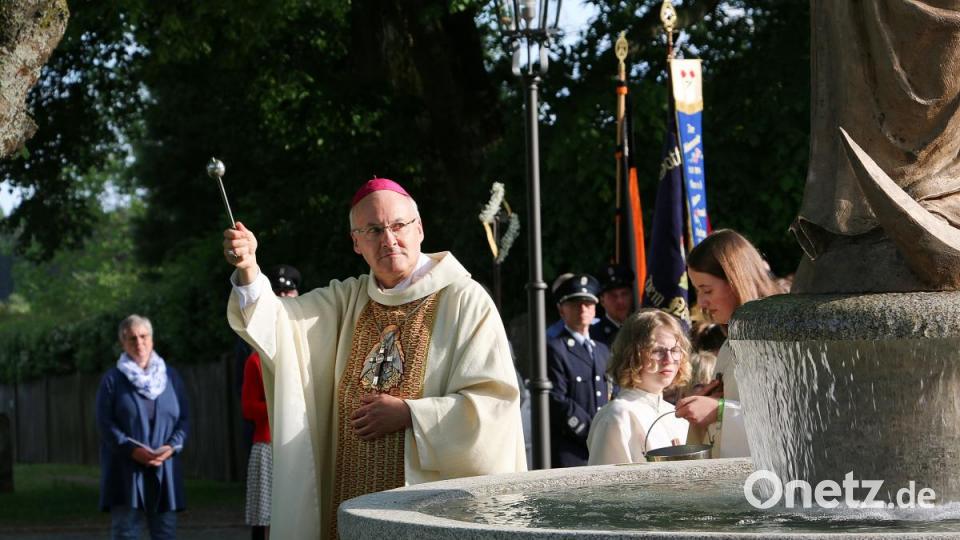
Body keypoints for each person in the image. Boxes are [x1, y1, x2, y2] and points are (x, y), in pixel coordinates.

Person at [223, 178, 526, 539]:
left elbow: (495, 407)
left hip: (428, 511)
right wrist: (249, 269)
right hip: (350, 501)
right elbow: (279, 326)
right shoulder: (346, 301)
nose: (388, 239)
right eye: (373, 230)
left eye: (399, 226)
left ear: (420, 229)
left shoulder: (464, 300)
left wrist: (410, 414)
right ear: (356, 242)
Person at [674, 229, 783, 458]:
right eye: (697, 291)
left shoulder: (779, 339)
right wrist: (714, 400)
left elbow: (790, 422)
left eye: (707, 290)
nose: (702, 302)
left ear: (736, 281)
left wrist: (720, 411)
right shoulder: (730, 345)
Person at [96, 315, 189, 540]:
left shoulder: (171, 377)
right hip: (126, 472)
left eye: (143, 336)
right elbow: (105, 424)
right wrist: (133, 451)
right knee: (127, 534)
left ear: (152, 340)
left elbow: (184, 419)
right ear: (123, 343)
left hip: (164, 471)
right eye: (132, 338)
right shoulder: (112, 380)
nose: (139, 343)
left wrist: (172, 446)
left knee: (165, 534)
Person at [241, 265, 301, 540]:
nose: (284, 296)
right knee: (267, 517)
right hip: (267, 443)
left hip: (300, 441)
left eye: (289, 290)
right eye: (278, 292)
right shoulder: (256, 359)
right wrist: (282, 404)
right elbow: (248, 407)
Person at [587, 309, 691, 465]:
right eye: (657, 351)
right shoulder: (617, 416)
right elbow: (609, 487)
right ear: (632, 354)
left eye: (675, 350)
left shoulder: (675, 415)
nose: (669, 359)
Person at [545, 273, 612, 468]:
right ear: (561, 310)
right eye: (575, 304)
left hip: (602, 446)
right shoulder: (555, 348)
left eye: (588, 304)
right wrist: (591, 432)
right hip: (572, 450)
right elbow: (556, 399)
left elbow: (612, 392)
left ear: (594, 310)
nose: (582, 309)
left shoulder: (602, 350)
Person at [592, 263, 635, 347]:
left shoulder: (641, 329)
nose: (620, 301)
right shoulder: (593, 335)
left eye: (624, 294)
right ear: (602, 301)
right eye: (613, 296)